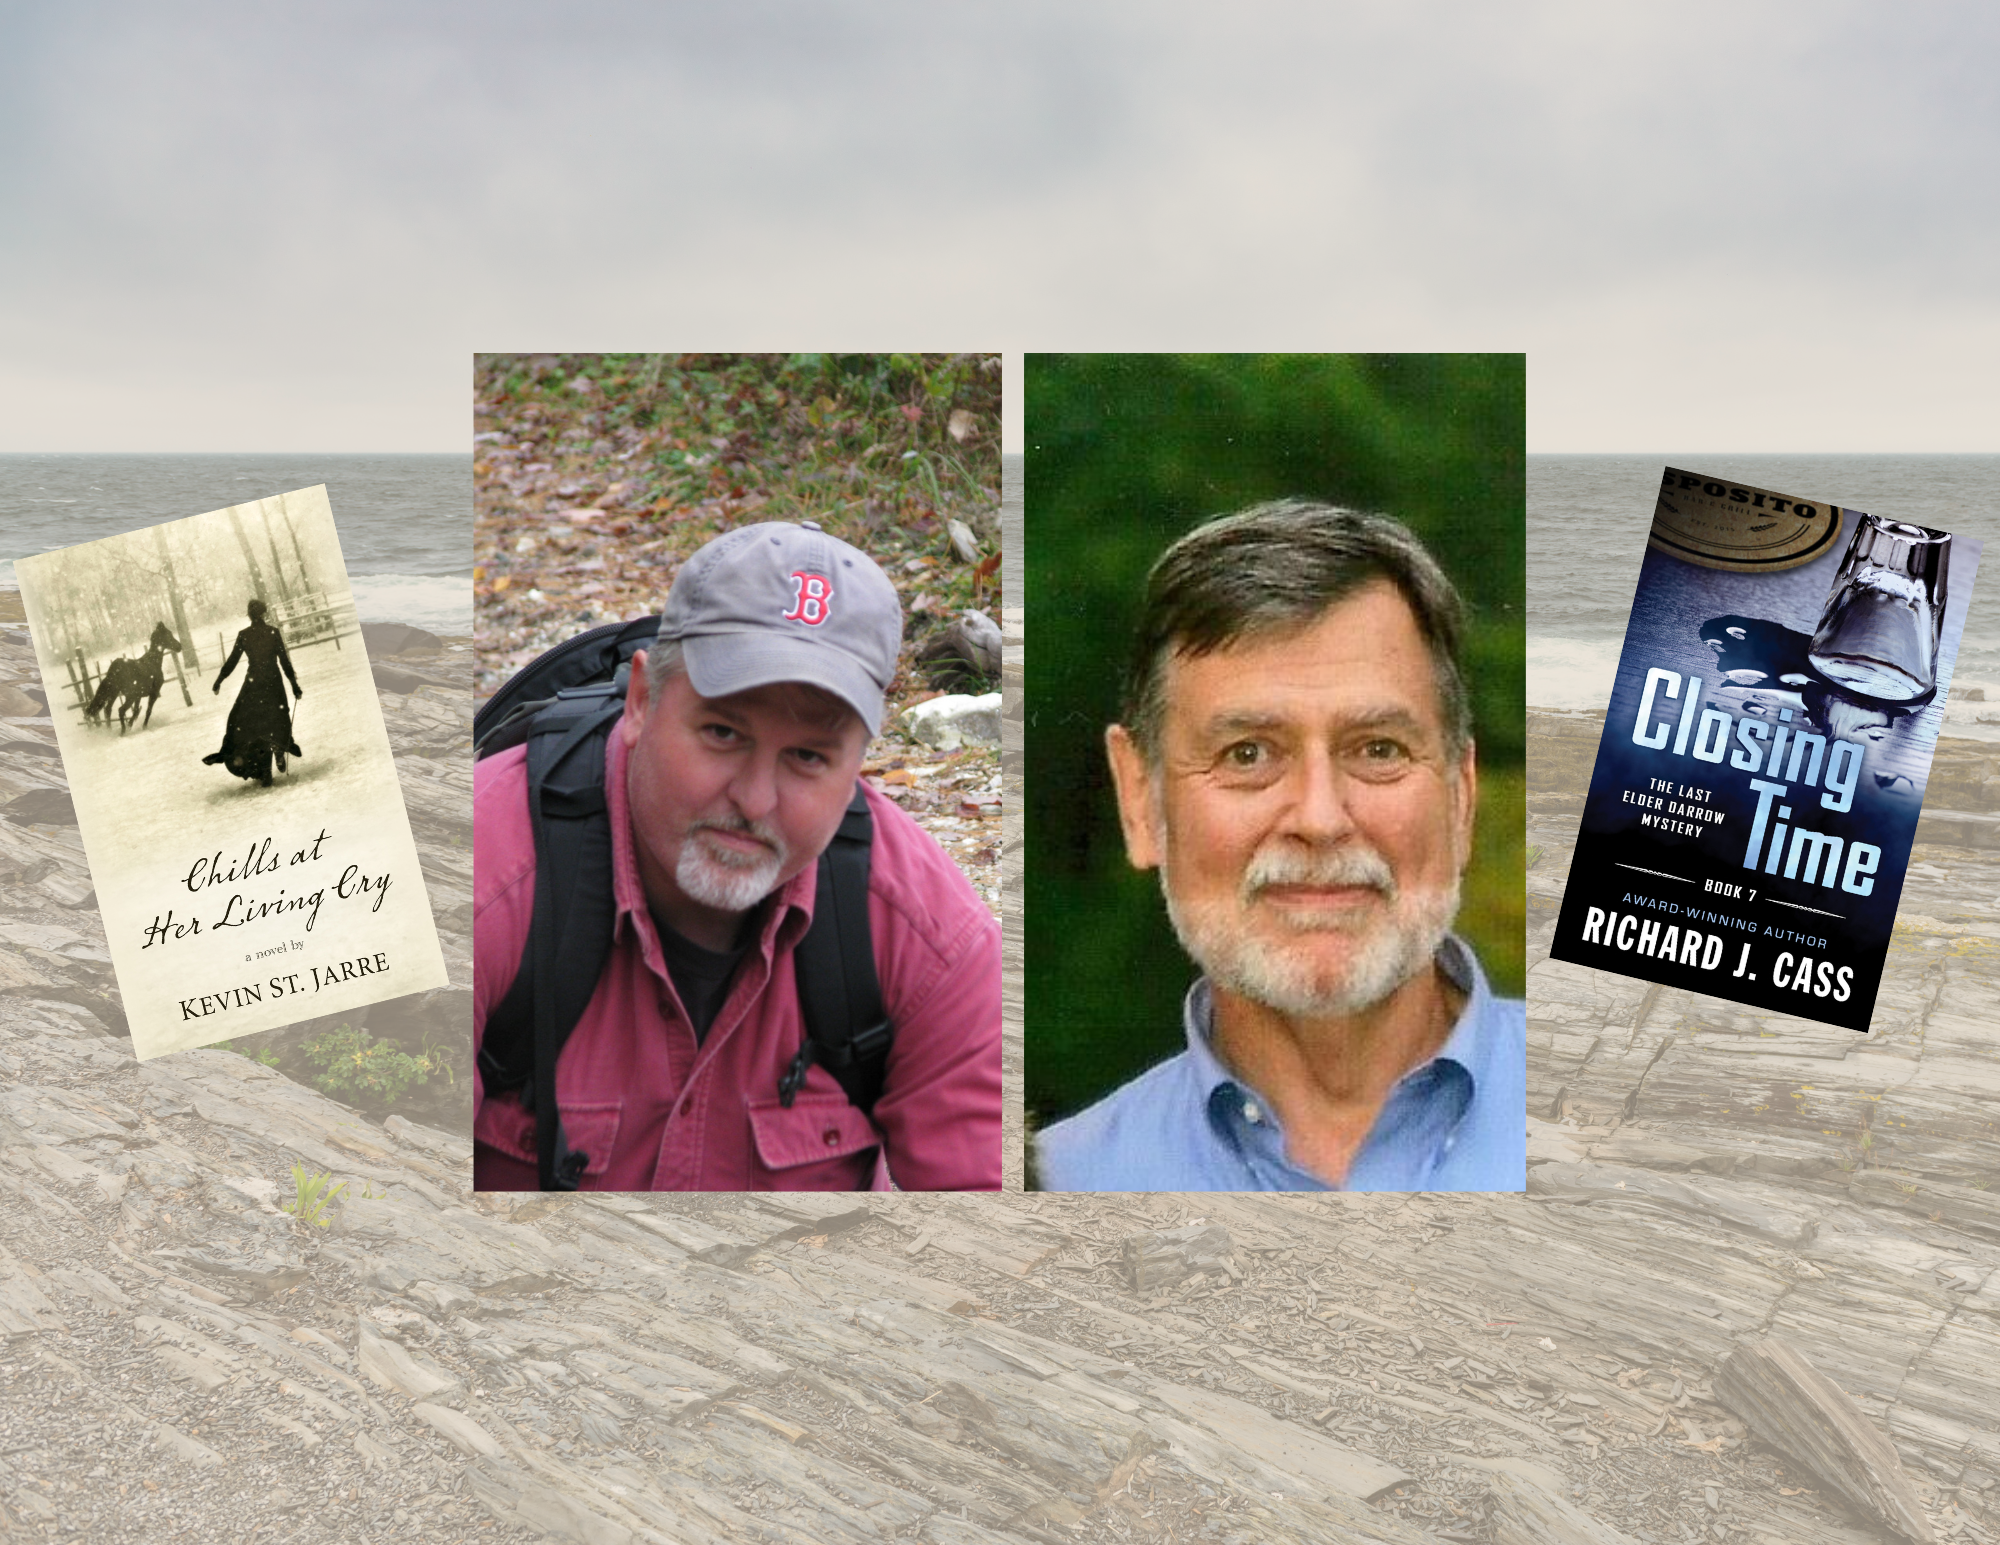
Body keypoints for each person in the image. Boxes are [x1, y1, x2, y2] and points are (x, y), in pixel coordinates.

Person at [472, 521, 1002, 1190]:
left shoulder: (932, 939)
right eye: (722, 732)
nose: (755, 799)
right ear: (641, 701)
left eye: (808, 756)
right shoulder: (477, 873)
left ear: (861, 766)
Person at [1035, 501, 1524, 1192]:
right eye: (1247, 753)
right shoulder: (1063, 1181)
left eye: (1379, 749)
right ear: (1139, 800)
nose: (1320, 819)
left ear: (1460, 797)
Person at [202, 597, 302, 787]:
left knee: (239, 719)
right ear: (264, 613)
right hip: (273, 682)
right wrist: (294, 684)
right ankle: (282, 746)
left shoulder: (244, 635)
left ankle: (232, 752)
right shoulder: (272, 632)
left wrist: (220, 679)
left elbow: (232, 660)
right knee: (280, 715)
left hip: (254, 684)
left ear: (249, 615)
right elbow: (284, 661)